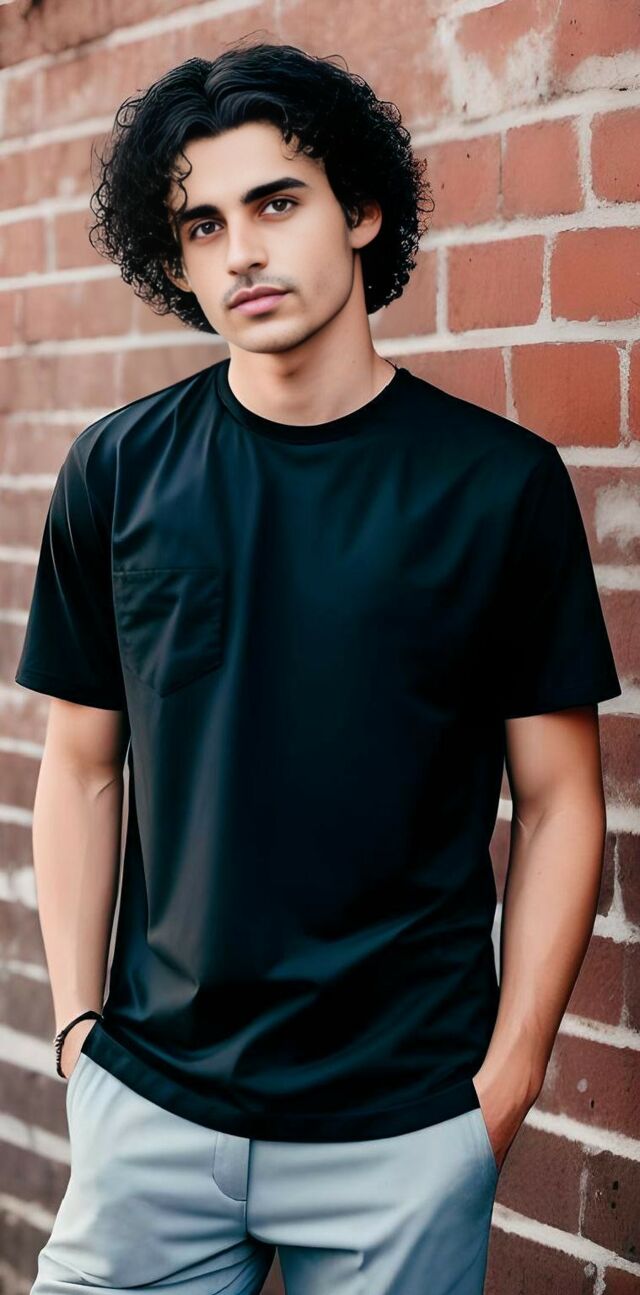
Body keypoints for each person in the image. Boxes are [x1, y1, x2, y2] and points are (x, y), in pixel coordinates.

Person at [17, 39, 621, 1295]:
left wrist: (504, 1084)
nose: (240, 251)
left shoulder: (497, 488)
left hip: (402, 1129)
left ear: (360, 212)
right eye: (202, 224)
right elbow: (79, 765)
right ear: (175, 258)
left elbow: (562, 797)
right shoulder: (117, 472)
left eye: (276, 202)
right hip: (153, 1112)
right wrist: (79, 1034)